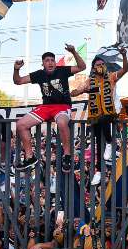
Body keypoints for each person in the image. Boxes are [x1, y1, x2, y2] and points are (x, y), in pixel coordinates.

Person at [12, 44, 86, 172]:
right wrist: (16, 69)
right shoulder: (39, 74)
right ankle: (30, 157)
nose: (50, 62)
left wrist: (74, 51)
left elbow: (82, 67)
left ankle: (67, 155)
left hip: (62, 106)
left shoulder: (62, 70)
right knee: (21, 125)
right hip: (46, 107)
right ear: (43, 64)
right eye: (47, 60)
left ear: (55, 63)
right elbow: (18, 81)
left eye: (52, 60)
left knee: (62, 122)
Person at [70, 50, 128, 165]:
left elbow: (125, 70)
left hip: (109, 113)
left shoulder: (111, 77)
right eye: (98, 65)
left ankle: (110, 142)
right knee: (98, 144)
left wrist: (124, 55)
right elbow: (74, 93)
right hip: (95, 115)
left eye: (102, 64)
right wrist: (82, 91)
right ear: (93, 68)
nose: (101, 66)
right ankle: (99, 170)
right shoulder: (89, 81)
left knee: (104, 121)